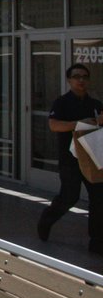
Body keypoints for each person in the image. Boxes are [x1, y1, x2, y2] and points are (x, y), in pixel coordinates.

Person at [37, 63, 103, 253]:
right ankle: (47, 220)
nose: (81, 80)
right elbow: (54, 125)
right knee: (69, 196)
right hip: (70, 160)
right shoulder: (62, 102)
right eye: (77, 77)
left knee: (99, 199)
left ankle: (97, 240)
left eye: (84, 77)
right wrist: (78, 124)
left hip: (93, 158)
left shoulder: (95, 105)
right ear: (69, 80)